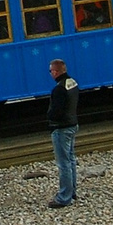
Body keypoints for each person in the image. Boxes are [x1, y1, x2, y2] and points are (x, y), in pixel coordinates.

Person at [45, 58, 79, 208]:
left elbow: (56, 111)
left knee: (63, 163)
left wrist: (49, 116)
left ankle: (64, 197)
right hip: (73, 124)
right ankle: (72, 191)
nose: (50, 74)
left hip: (62, 128)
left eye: (50, 71)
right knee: (70, 159)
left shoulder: (59, 88)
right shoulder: (72, 82)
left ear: (55, 71)